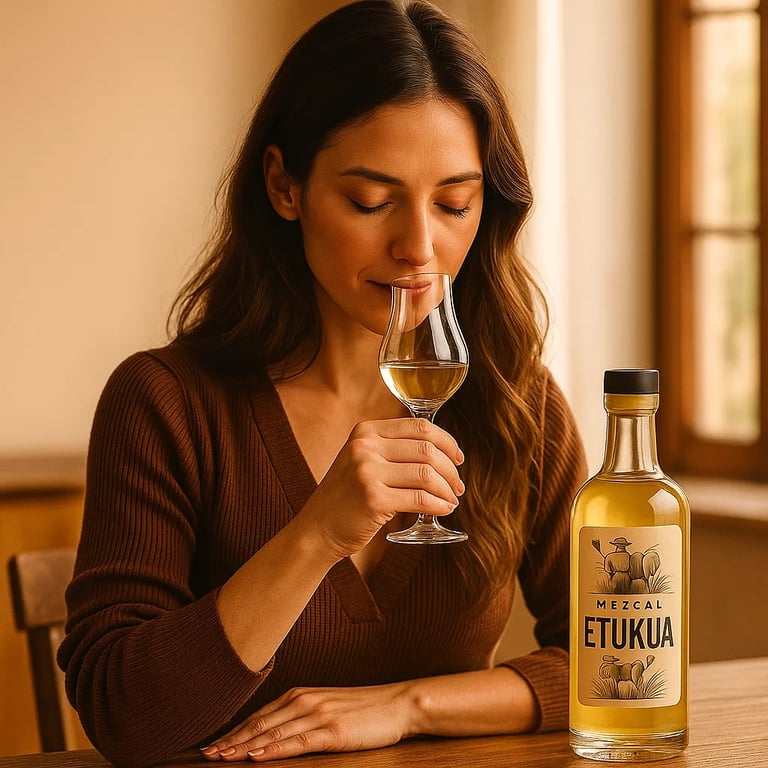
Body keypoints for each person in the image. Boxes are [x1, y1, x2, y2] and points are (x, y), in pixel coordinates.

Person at [58, 1, 587, 766]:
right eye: (371, 201)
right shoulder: (164, 403)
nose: (418, 247)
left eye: (454, 203)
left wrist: (408, 707)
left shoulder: (515, 403)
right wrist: (315, 535)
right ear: (284, 186)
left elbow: (624, 667)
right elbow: (127, 722)